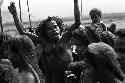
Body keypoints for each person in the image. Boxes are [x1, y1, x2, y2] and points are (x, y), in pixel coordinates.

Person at [8, 0, 81, 83]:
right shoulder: (44, 43)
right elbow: (23, 32)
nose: (54, 30)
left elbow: (77, 23)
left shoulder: (65, 39)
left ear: (59, 27)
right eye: (50, 28)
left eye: (55, 26)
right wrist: (15, 14)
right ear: (45, 32)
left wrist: (76, 2)